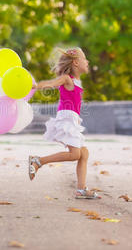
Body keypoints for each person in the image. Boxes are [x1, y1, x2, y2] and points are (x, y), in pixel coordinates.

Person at [29, 48, 98, 199]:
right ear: (76, 62)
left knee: (83, 154)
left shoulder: (78, 82)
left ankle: (81, 189)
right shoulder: (67, 79)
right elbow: (52, 83)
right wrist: (35, 86)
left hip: (73, 119)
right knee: (75, 154)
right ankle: (38, 161)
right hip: (66, 118)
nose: (88, 62)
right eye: (85, 59)